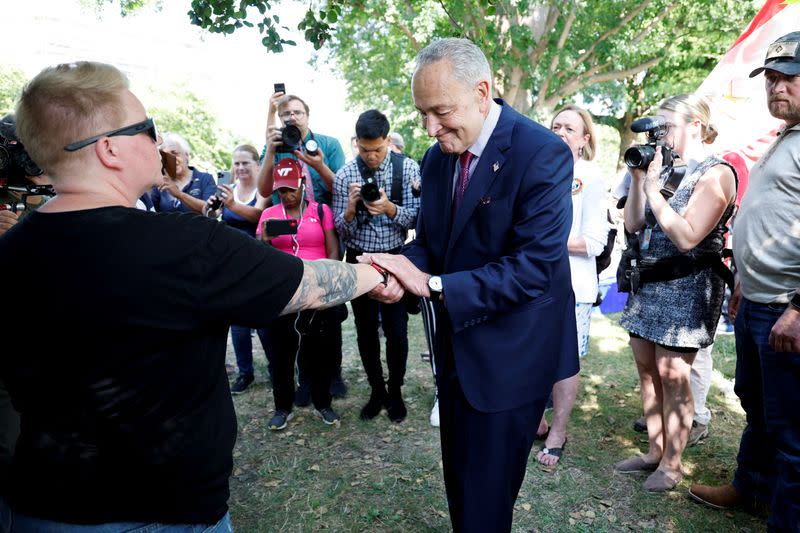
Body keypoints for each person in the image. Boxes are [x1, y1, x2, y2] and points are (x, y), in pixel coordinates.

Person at [0, 61, 386, 531]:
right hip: (165, 514)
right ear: (108, 148)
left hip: (42, 509)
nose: (159, 143)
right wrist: (375, 270)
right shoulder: (182, 243)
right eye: (148, 129)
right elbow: (307, 285)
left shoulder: (12, 251)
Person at [360, 38, 577, 532]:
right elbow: (433, 246)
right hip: (455, 352)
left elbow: (532, 269)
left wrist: (430, 285)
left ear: (482, 93)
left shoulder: (542, 153)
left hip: (510, 359)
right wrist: (397, 269)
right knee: (462, 487)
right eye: (422, 114)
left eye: (440, 111)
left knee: (486, 501)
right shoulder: (437, 159)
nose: (430, 128)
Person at [689, 32, 800, 532]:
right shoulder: (787, 136)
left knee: (793, 432)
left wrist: (799, 308)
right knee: (757, 406)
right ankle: (751, 486)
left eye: (789, 77)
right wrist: (742, 282)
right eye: (772, 78)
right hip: (758, 299)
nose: (777, 87)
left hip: (788, 309)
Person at [614, 93, 737, 493]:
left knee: (673, 373)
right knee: (647, 369)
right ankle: (653, 450)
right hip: (650, 281)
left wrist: (651, 189)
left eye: (666, 126)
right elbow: (634, 224)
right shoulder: (664, 170)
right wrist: (637, 181)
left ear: (695, 126)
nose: (660, 134)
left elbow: (686, 237)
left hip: (690, 285)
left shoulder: (716, 173)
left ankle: (672, 464)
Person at [257, 91, 349, 400]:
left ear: (307, 114)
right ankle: (305, 376)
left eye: (297, 112)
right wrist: (270, 152)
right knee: (294, 315)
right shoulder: (276, 148)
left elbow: (343, 187)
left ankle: (332, 374)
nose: (291, 117)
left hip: (324, 227)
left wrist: (319, 165)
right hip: (285, 232)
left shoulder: (328, 144)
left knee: (329, 310)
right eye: (285, 114)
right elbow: (264, 190)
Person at [333, 109, 421, 423]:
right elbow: (340, 232)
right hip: (359, 260)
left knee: (397, 333)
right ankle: (376, 390)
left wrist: (389, 208)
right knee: (366, 331)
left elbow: (416, 219)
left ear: (387, 140)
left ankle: (395, 390)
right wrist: (351, 209)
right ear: (356, 143)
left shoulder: (407, 168)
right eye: (365, 150)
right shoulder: (345, 175)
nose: (371, 156)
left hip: (396, 259)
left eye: (378, 149)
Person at [535, 105, 609, 467]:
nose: (560, 132)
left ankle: (558, 432)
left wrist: (540, 240)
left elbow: (594, 242)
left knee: (564, 363)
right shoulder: (537, 170)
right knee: (533, 356)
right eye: (555, 125)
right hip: (533, 284)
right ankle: (537, 419)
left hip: (574, 287)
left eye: (569, 128)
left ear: (584, 139)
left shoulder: (589, 176)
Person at [256, 158, 343, 429]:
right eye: (281, 190)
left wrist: (327, 280)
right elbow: (262, 257)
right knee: (281, 351)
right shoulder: (269, 215)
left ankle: (323, 402)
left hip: (318, 288)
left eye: (291, 189)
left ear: (303, 184)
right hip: (284, 291)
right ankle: (283, 406)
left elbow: (333, 250)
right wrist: (266, 240)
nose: (287, 195)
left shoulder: (320, 211)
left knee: (321, 349)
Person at [204, 144, 271, 395]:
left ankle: (277, 369)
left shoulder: (262, 189)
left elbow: (258, 216)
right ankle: (245, 373)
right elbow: (211, 218)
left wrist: (231, 204)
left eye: (245, 163)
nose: (240, 168)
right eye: (237, 164)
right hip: (231, 262)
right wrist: (212, 207)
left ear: (256, 165)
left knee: (264, 320)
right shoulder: (228, 190)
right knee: (237, 322)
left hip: (257, 261)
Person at [150, 132, 216, 214]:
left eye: (175, 153)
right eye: (166, 156)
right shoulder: (161, 182)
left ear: (187, 155)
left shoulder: (205, 179)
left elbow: (211, 211)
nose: (172, 160)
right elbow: (152, 213)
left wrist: (179, 194)